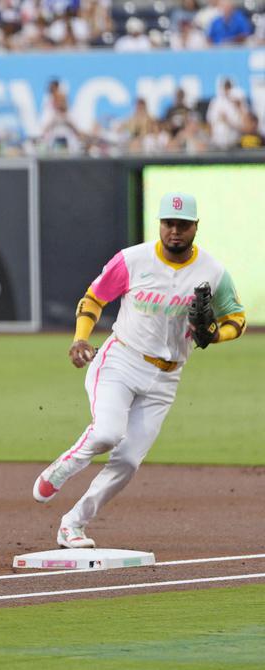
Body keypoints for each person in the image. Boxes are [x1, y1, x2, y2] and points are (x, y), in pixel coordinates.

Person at [33, 192, 245, 548]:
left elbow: (236, 319)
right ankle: (62, 468)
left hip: (167, 376)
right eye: (168, 224)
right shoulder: (132, 260)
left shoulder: (213, 271)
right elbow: (94, 297)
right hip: (121, 360)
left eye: (182, 225)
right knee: (106, 434)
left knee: (128, 461)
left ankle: (73, 523)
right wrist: (79, 338)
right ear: (160, 224)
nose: (174, 231)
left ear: (195, 227)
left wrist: (215, 334)